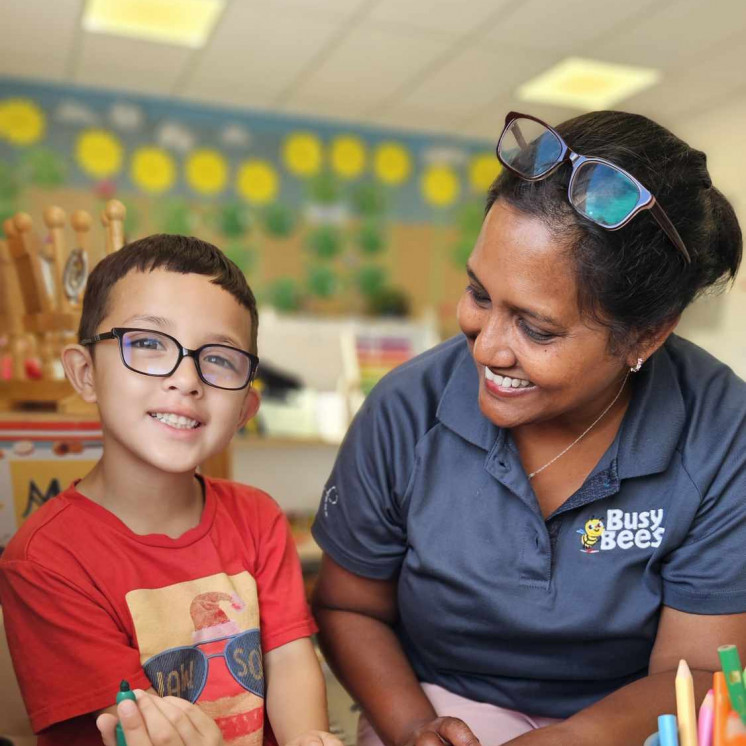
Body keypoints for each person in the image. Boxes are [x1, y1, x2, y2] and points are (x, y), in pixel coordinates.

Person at [310, 110, 746, 746]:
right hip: (443, 704)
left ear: (648, 335)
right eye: (479, 294)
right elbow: (348, 606)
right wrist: (412, 726)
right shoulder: (407, 408)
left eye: (536, 329)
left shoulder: (720, 431)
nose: (486, 348)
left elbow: (700, 673)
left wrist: (575, 738)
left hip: (632, 719)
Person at [0, 235, 342, 746]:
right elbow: (117, 726)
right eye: (147, 344)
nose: (186, 379)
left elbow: (290, 657)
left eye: (220, 358)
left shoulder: (258, 517)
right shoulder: (45, 560)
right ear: (85, 373)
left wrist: (308, 738)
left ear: (246, 410)